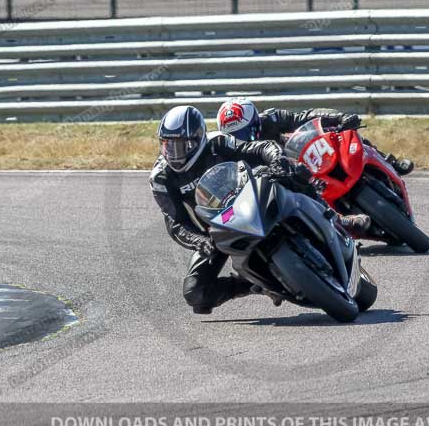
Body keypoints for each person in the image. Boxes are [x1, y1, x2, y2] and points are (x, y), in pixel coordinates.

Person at [150, 105, 370, 315]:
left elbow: (260, 147)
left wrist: (277, 160)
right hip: (216, 228)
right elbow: (175, 222)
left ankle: (338, 220)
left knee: (294, 173)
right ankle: (253, 284)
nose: (175, 154)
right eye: (168, 145)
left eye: (183, 145)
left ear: (199, 138)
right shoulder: (161, 177)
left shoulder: (217, 142)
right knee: (195, 292)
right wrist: (199, 240)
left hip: (251, 193)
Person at [216, 97, 414, 175]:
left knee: (343, 134)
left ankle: (390, 162)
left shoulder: (271, 118)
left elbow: (305, 117)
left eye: (246, 131)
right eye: (236, 136)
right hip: (279, 179)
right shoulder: (226, 151)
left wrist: (339, 118)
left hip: (299, 155)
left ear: (256, 121)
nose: (244, 139)